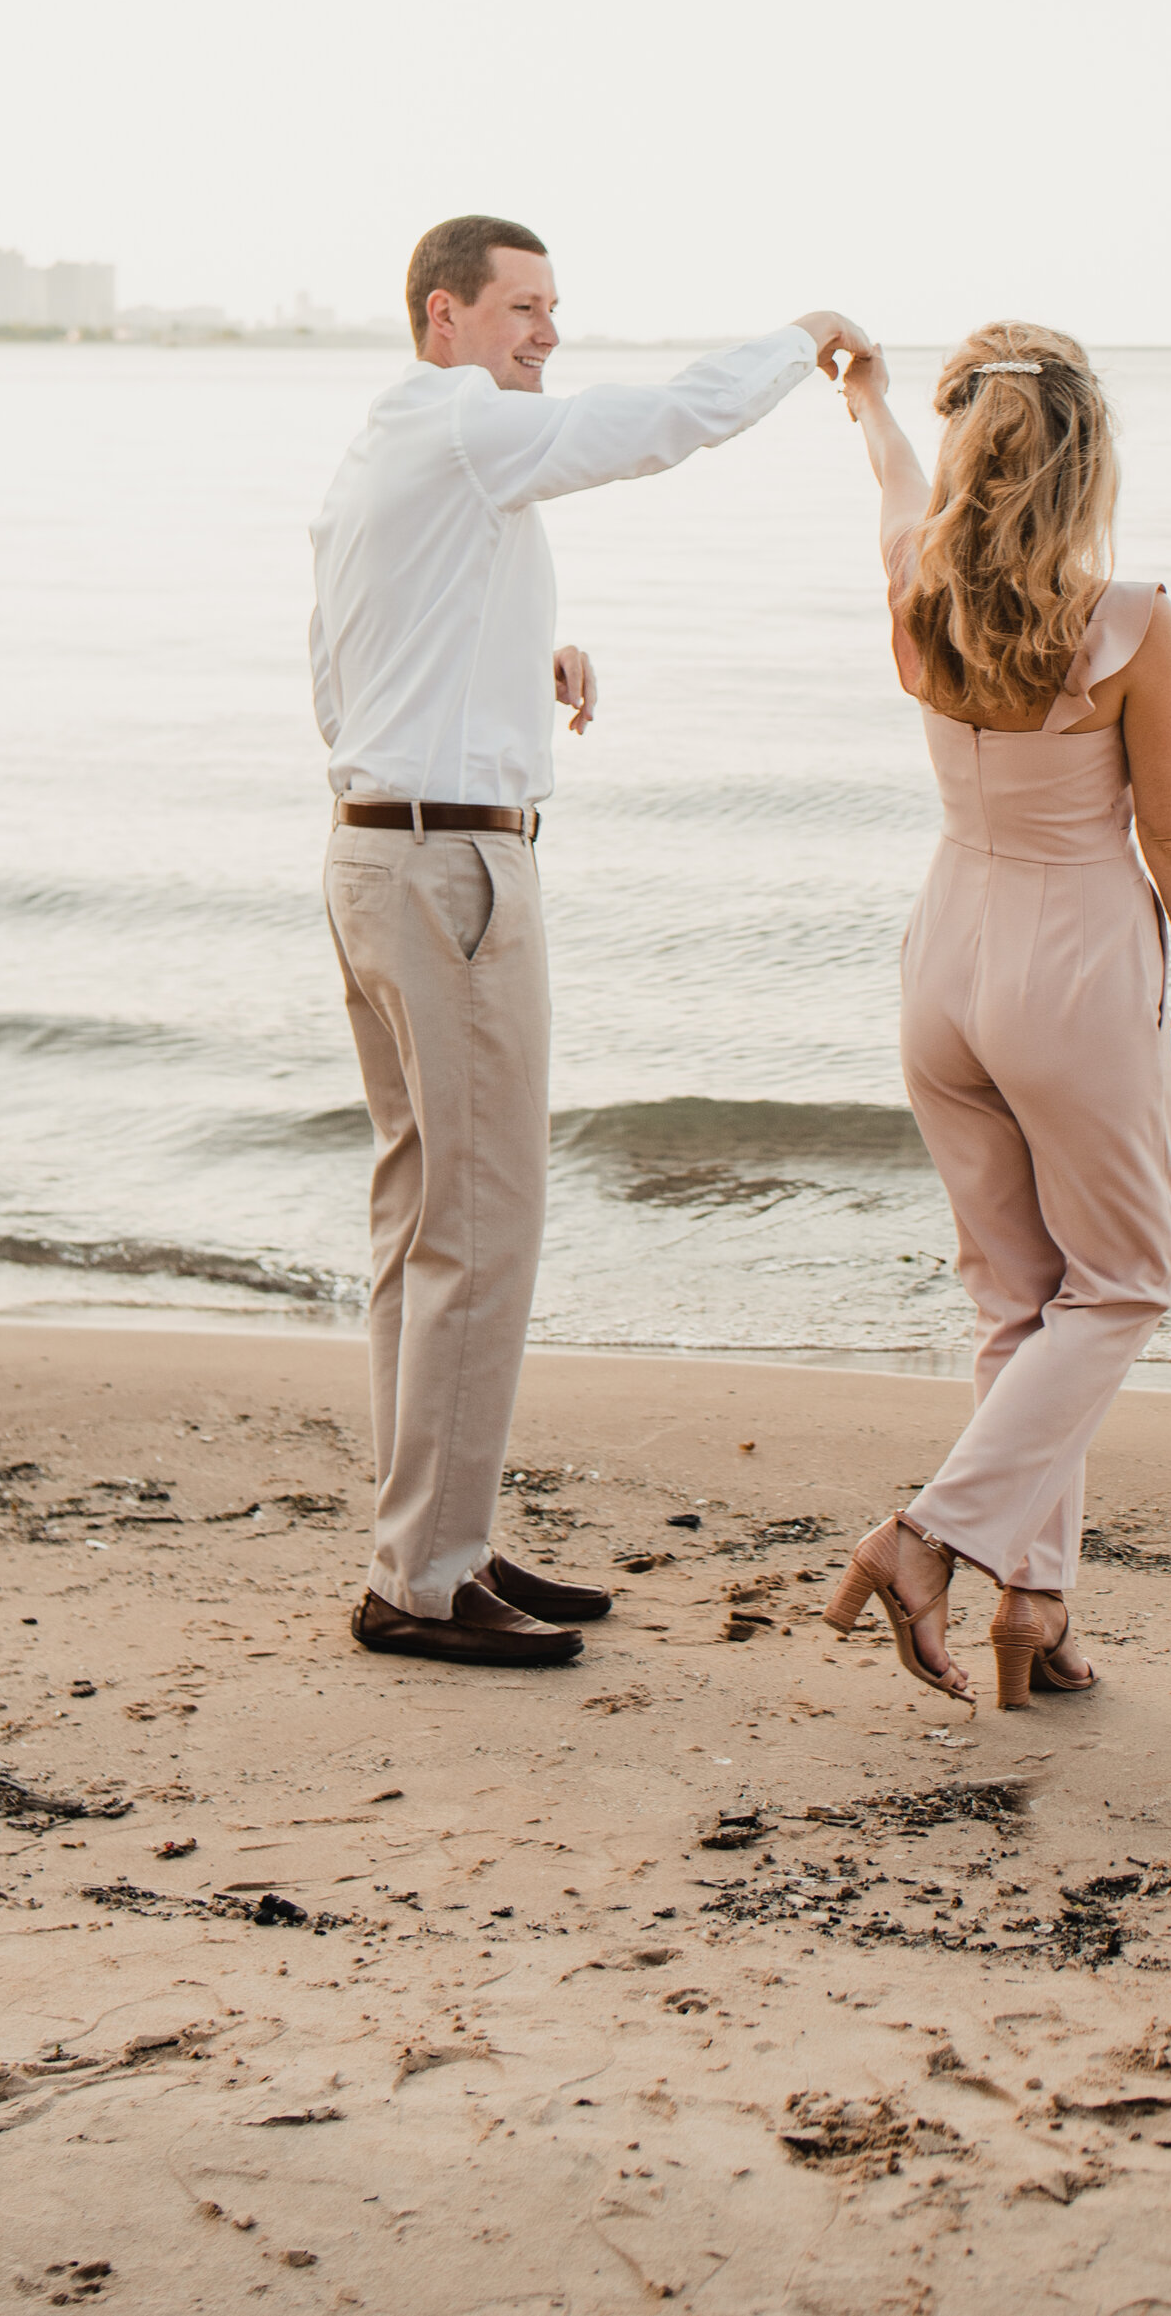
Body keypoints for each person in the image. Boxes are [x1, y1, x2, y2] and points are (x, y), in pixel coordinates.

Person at [311, 212, 870, 1672]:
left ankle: (433, 1541)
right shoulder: (465, 417)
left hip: (374, 852)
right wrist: (804, 337)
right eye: (521, 308)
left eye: (555, 307)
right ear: (444, 316)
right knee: (483, 1228)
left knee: (420, 1221)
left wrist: (521, 660)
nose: (545, 332)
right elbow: (661, 423)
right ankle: (426, 1580)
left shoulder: (387, 446)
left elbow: (352, 654)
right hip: (454, 873)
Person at [822, 322, 1171, 1708]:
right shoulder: (1125, 618)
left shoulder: (912, 584)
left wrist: (875, 403)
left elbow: (888, 478)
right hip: (1070, 966)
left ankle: (1042, 1600)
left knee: (1019, 1300)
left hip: (945, 957)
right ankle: (932, 1536)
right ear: (1082, 468)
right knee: (1124, 1281)